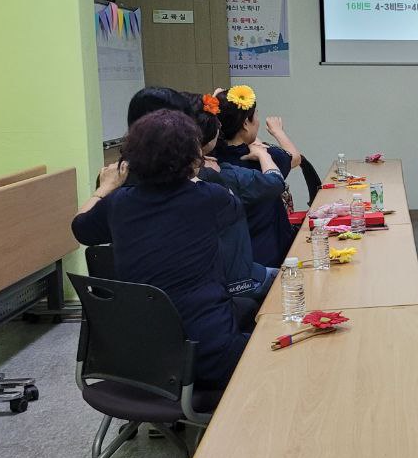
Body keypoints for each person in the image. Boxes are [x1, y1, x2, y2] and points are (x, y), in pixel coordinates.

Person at [71, 110, 251, 390]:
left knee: (244, 307)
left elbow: (80, 228)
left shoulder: (119, 203)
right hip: (204, 356)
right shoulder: (209, 198)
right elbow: (233, 209)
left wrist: (105, 188)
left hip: (138, 357)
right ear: (193, 159)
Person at [190, 94, 283, 303]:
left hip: (206, 283)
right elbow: (278, 179)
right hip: (237, 281)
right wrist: (262, 153)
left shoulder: (133, 192)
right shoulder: (219, 176)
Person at [213, 85, 301, 267]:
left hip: (227, 260)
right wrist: (278, 131)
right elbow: (295, 157)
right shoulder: (265, 160)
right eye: (256, 116)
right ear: (245, 123)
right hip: (268, 255)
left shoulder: (209, 159)